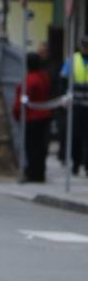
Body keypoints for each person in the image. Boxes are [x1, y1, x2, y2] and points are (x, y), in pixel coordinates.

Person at [15, 54, 55, 183]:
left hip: (32, 117)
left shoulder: (30, 80)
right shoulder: (44, 77)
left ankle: (33, 173)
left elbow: (21, 101)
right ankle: (40, 172)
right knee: (40, 146)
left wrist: (17, 115)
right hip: (44, 115)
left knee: (31, 147)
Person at [61, 37, 88, 176]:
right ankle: (76, 164)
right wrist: (66, 96)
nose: (86, 48)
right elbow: (63, 79)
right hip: (76, 105)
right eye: (84, 46)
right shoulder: (73, 59)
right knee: (76, 136)